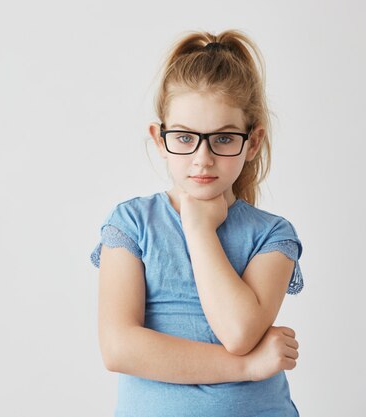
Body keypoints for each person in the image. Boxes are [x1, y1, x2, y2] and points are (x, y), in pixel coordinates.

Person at [89, 29, 304, 417]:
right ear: (160, 138)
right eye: (185, 138)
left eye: (223, 139)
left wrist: (200, 230)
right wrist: (246, 368)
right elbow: (119, 348)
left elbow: (238, 332)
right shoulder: (131, 224)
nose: (202, 159)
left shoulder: (272, 235)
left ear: (252, 142)